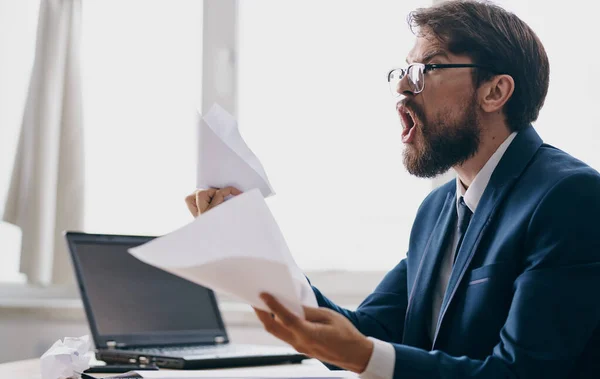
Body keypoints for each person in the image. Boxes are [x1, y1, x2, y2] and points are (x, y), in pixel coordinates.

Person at [185, 1, 600, 377]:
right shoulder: (437, 209)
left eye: (427, 69)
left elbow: (523, 375)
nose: (403, 86)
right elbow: (361, 333)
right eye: (403, 71)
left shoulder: (570, 198)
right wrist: (252, 244)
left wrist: (364, 355)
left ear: (495, 91)